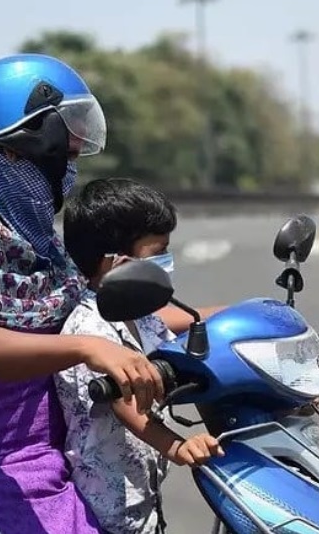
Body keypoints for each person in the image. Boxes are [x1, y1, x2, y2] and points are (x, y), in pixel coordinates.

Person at [0, 54, 163, 534]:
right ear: (14, 148)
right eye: (64, 156)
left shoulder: (32, 232)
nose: (70, 171)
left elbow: (95, 305)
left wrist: (234, 326)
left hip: (47, 465)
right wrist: (89, 349)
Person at [57, 178, 226, 534]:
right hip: (108, 507)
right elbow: (125, 402)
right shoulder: (89, 328)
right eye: (156, 254)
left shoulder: (141, 314)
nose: (166, 263)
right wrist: (177, 446)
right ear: (117, 264)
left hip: (142, 489)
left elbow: (185, 344)